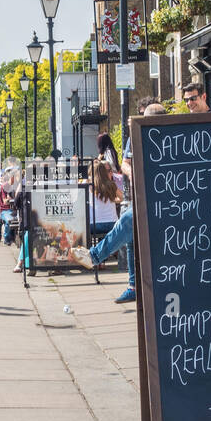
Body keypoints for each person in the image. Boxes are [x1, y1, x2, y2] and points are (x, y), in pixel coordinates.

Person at [69, 101, 167, 303]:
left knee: (127, 220)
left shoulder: (174, 137)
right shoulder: (137, 137)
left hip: (167, 201)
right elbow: (125, 164)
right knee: (131, 236)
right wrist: (137, 174)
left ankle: (95, 257)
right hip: (144, 195)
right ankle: (133, 286)